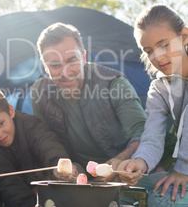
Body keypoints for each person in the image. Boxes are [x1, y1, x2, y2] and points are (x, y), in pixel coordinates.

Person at [31, 22, 147, 180]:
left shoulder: (114, 83)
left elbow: (142, 131)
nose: (66, 72)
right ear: (45, 67)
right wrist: (59, 164)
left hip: (125, 171)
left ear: (84, 57)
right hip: (79, 178)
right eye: (55, 65)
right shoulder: (40, 92)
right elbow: (44, 140)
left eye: (72, 61)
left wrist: (121, 159)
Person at [118, 4, 188, 207]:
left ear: (184, 36)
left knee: (161, 198)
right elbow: (152, 136)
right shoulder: (159, 87)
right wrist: (140, 163)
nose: (157, 56)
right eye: (148, 50)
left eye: (164, 45)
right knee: (126, 193)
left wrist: (182, 170)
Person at [0, 87, 77, 207]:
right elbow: (4, 181)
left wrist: (58, 165)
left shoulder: (31, 124)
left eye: (1, 124)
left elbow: (49, 146)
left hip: (47, 180)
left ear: (10, 111)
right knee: (1, 192)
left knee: (75, 172)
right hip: (18, 192)